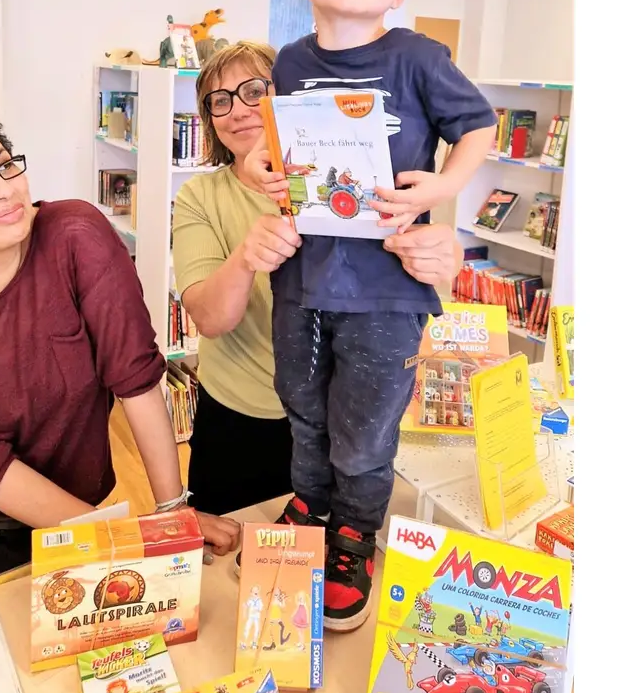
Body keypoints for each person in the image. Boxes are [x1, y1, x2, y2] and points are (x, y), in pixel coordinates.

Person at [242, 0, 500, 631]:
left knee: (365, 427)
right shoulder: (288, 62)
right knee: (302, 405)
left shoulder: (418, 58)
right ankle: (310, 506)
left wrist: (444, 185)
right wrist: (263, 161)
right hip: (304, 277)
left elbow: (477, 126)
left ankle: (355, 532)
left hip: (386, 287)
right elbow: (277, 138)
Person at [0, 110, 240, 601]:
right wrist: (122, 540)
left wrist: (171, 511)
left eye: (5, 166)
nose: (3, 189)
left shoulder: (74, 234)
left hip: (71, 501)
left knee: (65, 651)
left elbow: (136, 374)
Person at [171, 41, 464, 518]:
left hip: (341, 416)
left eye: (255, 90)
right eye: (219, 101)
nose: (238, 111)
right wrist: (246, 258)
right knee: (234, 561)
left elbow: (424, 274)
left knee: (337, 549)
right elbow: (209, 318)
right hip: (241, 419)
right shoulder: (200, 196)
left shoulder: (354, 178)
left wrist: (446, 254)